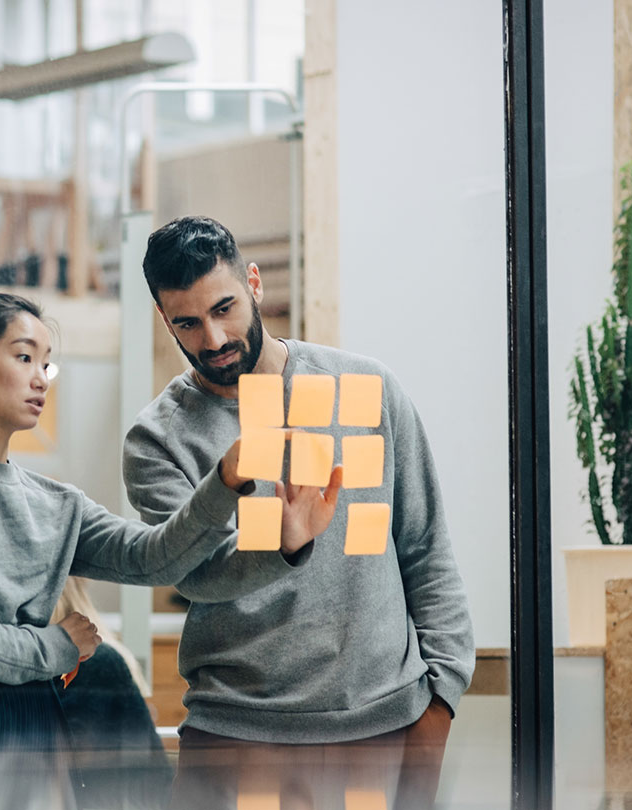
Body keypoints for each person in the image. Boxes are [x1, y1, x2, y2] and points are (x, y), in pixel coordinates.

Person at [0, 292, 342, 759]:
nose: (41, 378)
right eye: (24, 357)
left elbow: (153, 557)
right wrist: (56, 646)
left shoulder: (55, 502)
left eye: (46, 363)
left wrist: (230, 484)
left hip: (35, 731)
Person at [123, 216, 475, 805]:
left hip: (386, 726)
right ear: (165, 319)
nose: (212, 339)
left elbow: (425, 548)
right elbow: (195, 576)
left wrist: (440, 705)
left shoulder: (365, 388)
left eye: (225, 308)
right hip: (236, 735)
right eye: (187, 322)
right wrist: (283, 548)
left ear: (254, 283)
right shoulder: (157, 439)